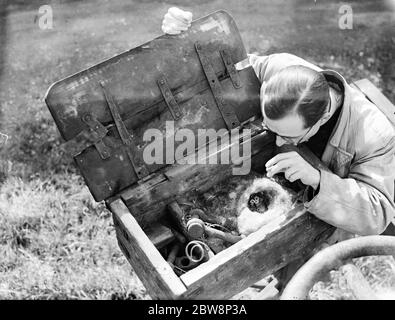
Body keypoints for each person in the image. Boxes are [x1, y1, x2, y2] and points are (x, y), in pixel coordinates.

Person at [161, 8, 395, 236]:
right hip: (276, 201)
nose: (280, 141)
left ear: (322, 117)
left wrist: (317, 178)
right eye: (272, 130)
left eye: (290, 137)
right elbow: (221, 74)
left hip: (329, 219)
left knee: (305, 268)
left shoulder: (375, 136)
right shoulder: (279, 69)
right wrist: (182, 39)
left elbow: (379, 213)